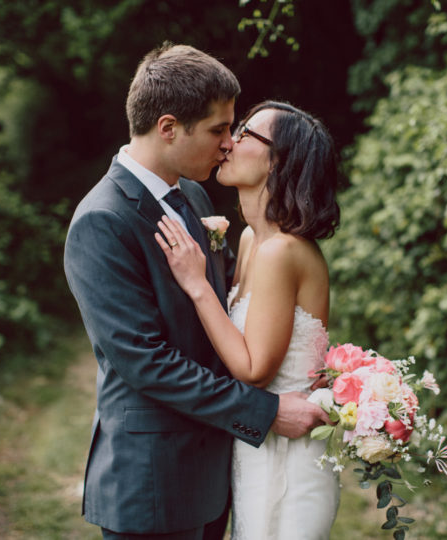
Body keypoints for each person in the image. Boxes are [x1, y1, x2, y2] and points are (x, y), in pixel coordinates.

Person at [63, 44, 329, 540]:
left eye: (234, 129)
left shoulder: (195, 195)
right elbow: (147, 362)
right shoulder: (102, 221)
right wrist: (266, 413)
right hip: (153, 482)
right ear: (168, 128)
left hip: (217, 472)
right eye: (218, 130)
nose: (228, 143)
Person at [155, 100, 342, 539]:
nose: (228, 142)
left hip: (287, 459)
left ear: (280, 162)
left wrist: (198, 284)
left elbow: (255, 370)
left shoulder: (283, 251)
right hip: (255, 446)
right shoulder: (253, 239)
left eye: (245, 133)